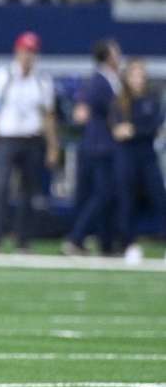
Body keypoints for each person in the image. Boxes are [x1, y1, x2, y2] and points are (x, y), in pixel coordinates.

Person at [0, 32, 59, 252]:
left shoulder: (42, 80)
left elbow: (48, 115)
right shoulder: (3, 75)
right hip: (6, 139)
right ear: (17, 51)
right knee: (0, 188)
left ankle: (23, 240)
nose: (28, 56)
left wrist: (53, 145)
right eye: (25, 51)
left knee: (28, 192)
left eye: (32, 52)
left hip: (31, 139)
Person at [65, 39, 123, 256]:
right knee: (102, 194)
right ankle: (76, 237)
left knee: (107, 195)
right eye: (116, 52)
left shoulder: (110, 79)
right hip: (100, 145)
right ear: (108, 56)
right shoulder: (99, 80)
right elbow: (82, 112)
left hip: (105, 144)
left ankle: (106, 243)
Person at [112, 59, 165, 265]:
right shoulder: (119, 102)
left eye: (141, 74)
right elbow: (118, 131)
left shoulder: (152, 99)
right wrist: (135, 130)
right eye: (134, 74)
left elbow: (153, 127)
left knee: (159, 196)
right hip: (127, 156)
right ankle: (128, 244)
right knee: (127, 199)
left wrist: (134, 130)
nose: (138, 78)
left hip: (147, 154)